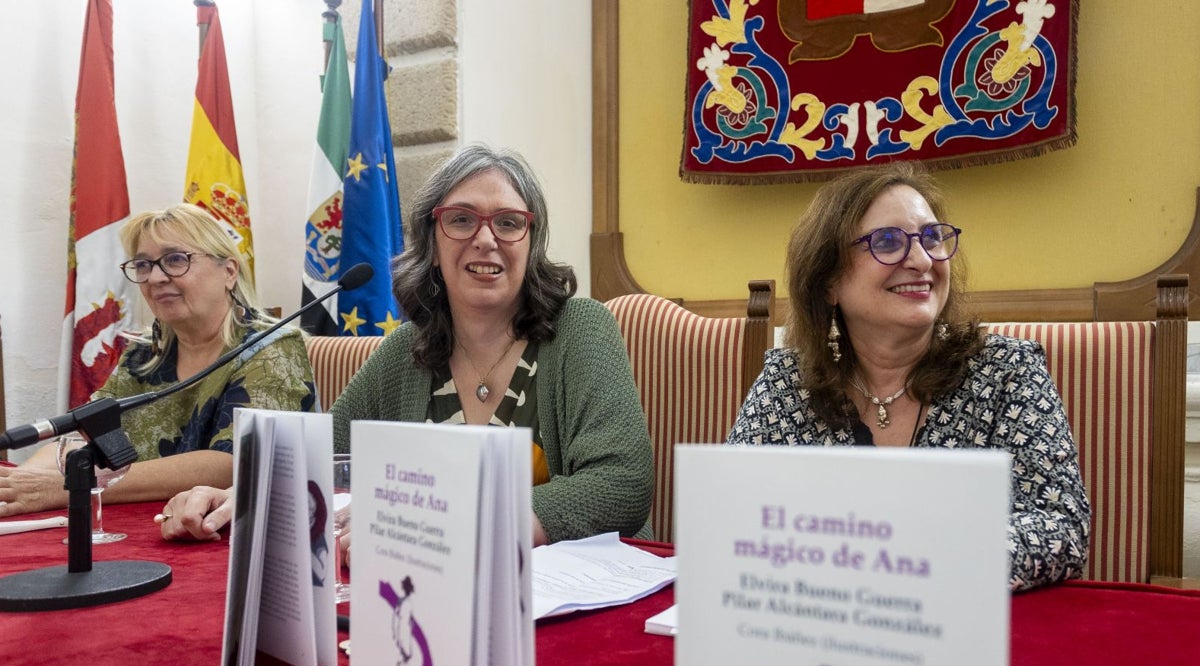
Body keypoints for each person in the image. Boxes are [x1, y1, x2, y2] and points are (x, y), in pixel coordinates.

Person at [159, 144, 653, 547]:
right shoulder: (409, 352)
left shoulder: (581, 328)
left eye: (508, 222)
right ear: (432, 244)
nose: (486, 239)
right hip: (432, 594)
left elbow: (622, 486)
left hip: (573, 607)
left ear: (531, 242)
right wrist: (236, 494)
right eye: (461, 220)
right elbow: (324, 459)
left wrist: (465, 525)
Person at [727, 162, 1089, 592]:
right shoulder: (788, 381)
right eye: (887, 241)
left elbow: (1060, 527)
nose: (921, 260)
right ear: (829, 281)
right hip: (819, 629)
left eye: (933, 237)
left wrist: (908, 559)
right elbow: (733, 516)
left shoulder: (1008, 371)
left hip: (962, 634)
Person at [0, 204, 316, 518]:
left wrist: (69, 486)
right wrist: (17, 486)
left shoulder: (272, 348)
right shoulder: (145, 354)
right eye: (143, 265)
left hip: (224, 535)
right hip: (144, 526)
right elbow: (87, 438)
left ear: (229, 272)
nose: (155, 277)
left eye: (175, 260)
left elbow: (234, 463)